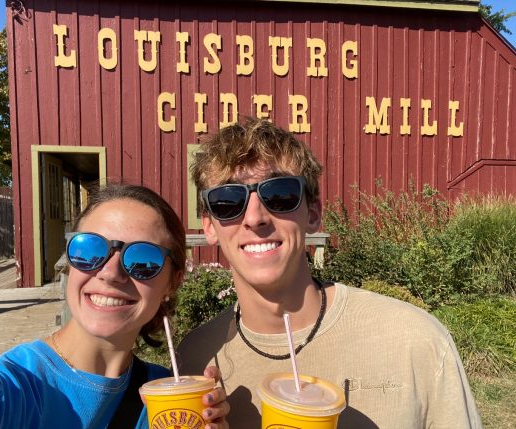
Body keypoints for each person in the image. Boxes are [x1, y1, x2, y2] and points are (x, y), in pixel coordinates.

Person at [177, 117, 482, 428]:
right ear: (209, 227)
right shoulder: (196, 362)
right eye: (228, 201)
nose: (255, 218)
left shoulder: (415, 342)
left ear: (313, 215)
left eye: (280, 194)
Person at [0, 183, 229, 429]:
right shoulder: (7, 388)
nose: (111, 272)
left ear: (173, 282)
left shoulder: (168, 396)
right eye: (90, 250)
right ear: (70, 263)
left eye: (143, 260)